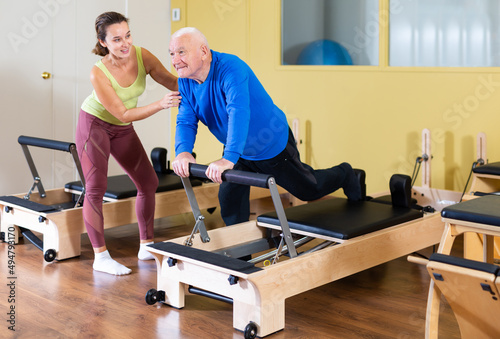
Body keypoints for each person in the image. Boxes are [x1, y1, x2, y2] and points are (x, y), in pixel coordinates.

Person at [171, 27, 362, 227]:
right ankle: (240, 255)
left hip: (270, 142)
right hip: (240, 149)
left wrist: (228, 158)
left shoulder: (230, 68)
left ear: (203, 51)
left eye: (181, 52)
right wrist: (183, 151)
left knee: (308, 190)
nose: (175, 60)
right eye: (172, 54)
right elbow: (186, 119)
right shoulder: (186, 81)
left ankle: (346, 174)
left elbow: (239, 112)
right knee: (230, 200)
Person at [76, 12, 181, 275]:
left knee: (148, 182)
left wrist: (203, 86)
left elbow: (170, 80)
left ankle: (146, 245)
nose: (125, 44)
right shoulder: (98, 73)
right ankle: (100, 257)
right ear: (103, 42)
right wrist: (161, 104)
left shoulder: (141, 55)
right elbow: (122, 113)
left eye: (128, 36)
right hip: (95, 126)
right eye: (116, 39)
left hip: (122, 129)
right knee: (96, 187)